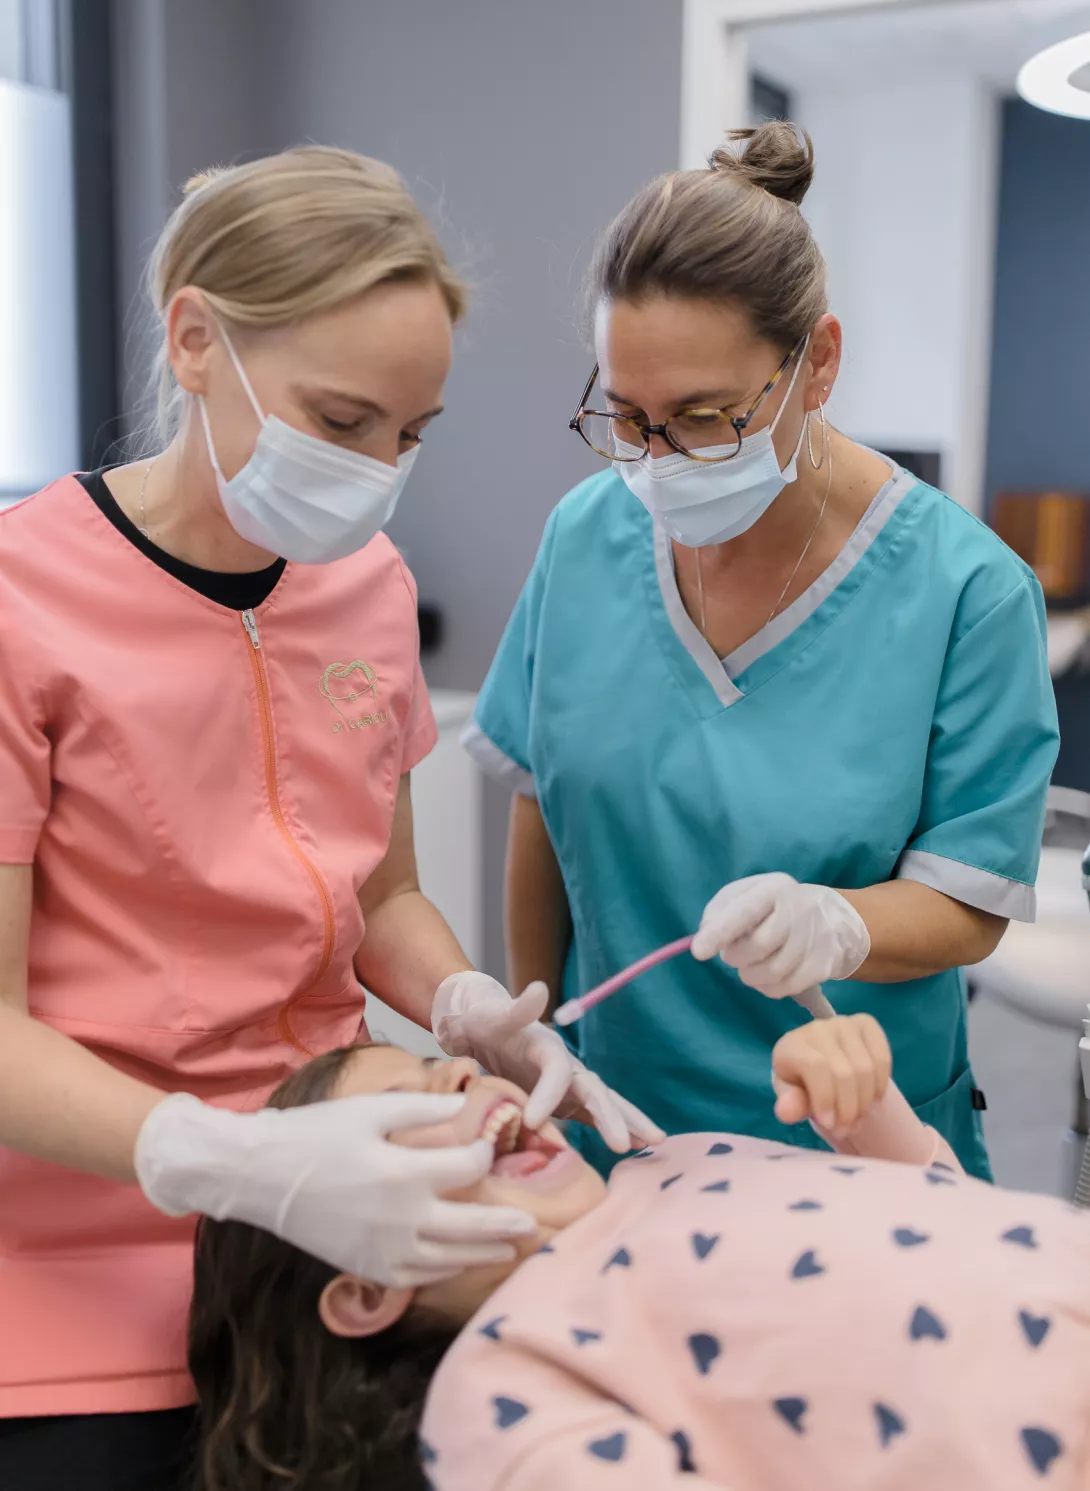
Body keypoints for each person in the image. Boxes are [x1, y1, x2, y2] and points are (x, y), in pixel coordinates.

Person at [0, 146, 655, 1491]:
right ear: (195, 340)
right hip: (79, 1241)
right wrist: (222, 1156)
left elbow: (380, 897)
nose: (377, 468)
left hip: (351, 1209)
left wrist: (467, 995)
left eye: (411, 432)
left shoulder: (361, 585)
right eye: (342, 418)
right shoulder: (23, 606)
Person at [464, 121, 1059, 1179]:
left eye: (702, 418)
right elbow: (538, 808)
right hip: (618, 1124)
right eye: (628, 416)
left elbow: (969, 904)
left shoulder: (967, 592)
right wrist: (535, 1037)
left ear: (815, 364)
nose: (655, 458)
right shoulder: (585, 541)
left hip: (851, 1141)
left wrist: (837, 921)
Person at [187, 1023, 1090, 1491]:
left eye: (437, 1062)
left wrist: (866, 1112)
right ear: (367, 1286)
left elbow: (946, 1219)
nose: (462, 1072)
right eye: (411, 1110)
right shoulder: (502, 1387)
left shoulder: (672, 1162)